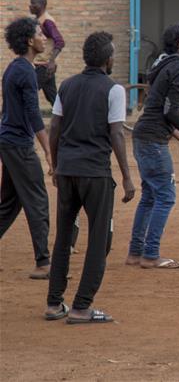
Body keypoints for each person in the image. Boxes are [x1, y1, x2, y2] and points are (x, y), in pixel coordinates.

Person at [44, 32, 136, 324]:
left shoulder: (67, 86)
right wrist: (127, 176)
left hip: (68, 172)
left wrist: (56, 165)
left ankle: (53, 304)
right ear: (108, 60)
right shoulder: (114, 90)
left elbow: (55, 128)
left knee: (63, 238)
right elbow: (117, 133)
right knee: (100, 239)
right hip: (95, 174)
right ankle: (82, 307)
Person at [126, 23, 179, 270]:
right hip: (152, 141)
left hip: (143, 136)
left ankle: (135, 253)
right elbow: (170, 112)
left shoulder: (167, 64)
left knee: (150, 196)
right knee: (165, 197)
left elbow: (159, 110)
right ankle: (150, 255)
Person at [0, 18, 53, 279]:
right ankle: (44, 263)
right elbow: (33, 114)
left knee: (10, 204)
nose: (45, 37)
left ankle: (43, 260)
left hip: (8, 142)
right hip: (19, 145)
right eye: (40, 34)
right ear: (30, 41)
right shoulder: (25, 72)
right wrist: (47, 149)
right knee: (38, 201)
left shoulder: (15, 68)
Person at [28, 0, 65, 105]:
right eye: (30, 4)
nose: (30, 6)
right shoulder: (39, 20)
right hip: (43, 66)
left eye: (33, 4)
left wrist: (52, 61)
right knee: (53, 99)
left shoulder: (47, 21)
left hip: (43, 67)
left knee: (29, 92)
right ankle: (65, 119)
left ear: (41, 5)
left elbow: (60, 41)